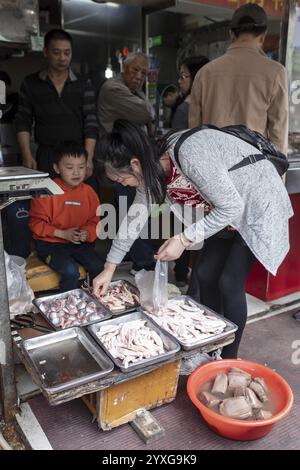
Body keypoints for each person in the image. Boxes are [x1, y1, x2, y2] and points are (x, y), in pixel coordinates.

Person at [92, 120, 293, 359]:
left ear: (135, 164)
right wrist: (109, 267)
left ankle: (229, 358)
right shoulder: (150, 174)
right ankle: (211, 344)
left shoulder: (189, 152)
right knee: (206, 273)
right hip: (224, 213)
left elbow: (231, 206)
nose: (121, 184)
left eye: (120, 179)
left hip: (256, 205)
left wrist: (183, 239)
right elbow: (133, 219)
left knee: (229, 282)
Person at [189, 3, 289, 154]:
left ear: (231, 35)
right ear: (263, 36)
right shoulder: (275, 73)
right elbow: (278, 136)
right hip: (253, 169)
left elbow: (193, 134)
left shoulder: (205, 73)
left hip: (212, 169)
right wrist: (278, 176)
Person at [97, 52, 156, 273]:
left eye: (144, 72)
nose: (140, 75)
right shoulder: (113, 89)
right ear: (124, 68)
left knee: (139, 211)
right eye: (135, 70)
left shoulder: (135, 92)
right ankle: (142, 262)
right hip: (120, 163)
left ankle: (140, 260)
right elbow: (146, 112)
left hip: (134, 164)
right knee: (131, 212)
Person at [15, 28, 98, 178]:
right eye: (56, 52)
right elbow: (23, 121)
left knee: (80, 200)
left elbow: (91, 123)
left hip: (77, 156)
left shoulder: (84, 83)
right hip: (46, 156)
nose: (62, 58)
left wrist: (89, 158)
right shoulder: (30, 83)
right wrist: (26, 155)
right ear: (46, 52)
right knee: (47, 200)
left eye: (67, 53)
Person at [29, 142, 104, 293]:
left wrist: (87, 233)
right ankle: (68, 304)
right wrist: (62, 233)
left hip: (79, 243)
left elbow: (95, 222)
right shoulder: (46, 191)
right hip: (50, 245)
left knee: (97, 265)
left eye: (81, 167)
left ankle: (96, 298)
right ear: (57, 168)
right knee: (70, 271)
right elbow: (35, 223)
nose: (76, 172)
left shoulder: (89, 193)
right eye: (69, 168)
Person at [168, 56, 209, 287]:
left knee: (183, 224)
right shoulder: (203, 103)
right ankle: (189, 276)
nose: (180, 80)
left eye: (184, 75)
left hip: (186, 178)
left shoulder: (186, 107)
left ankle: (183, 274)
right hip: (198, 180)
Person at [172, 56, 209, 131]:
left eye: (183, 76)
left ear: (196, 77)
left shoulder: (184, 109)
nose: (179, 81)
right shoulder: (215, 103)